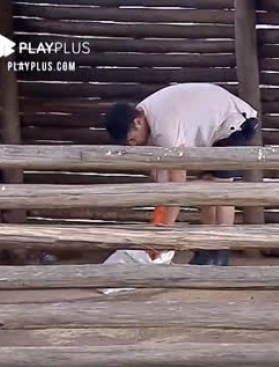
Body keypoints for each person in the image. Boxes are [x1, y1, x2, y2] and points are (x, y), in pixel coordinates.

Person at [103, 83, 259, 266]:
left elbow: (177, 185)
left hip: (235, 122)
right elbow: (162, 175)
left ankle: (221, 251)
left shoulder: (163, 125)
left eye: (131, 139)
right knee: (208, 186)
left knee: (220, 188)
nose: (132, 145)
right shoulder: (147, 117)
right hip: (215, 128)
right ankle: (207, 248)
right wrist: (159, 214)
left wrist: (163, 234)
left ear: (137, 123)